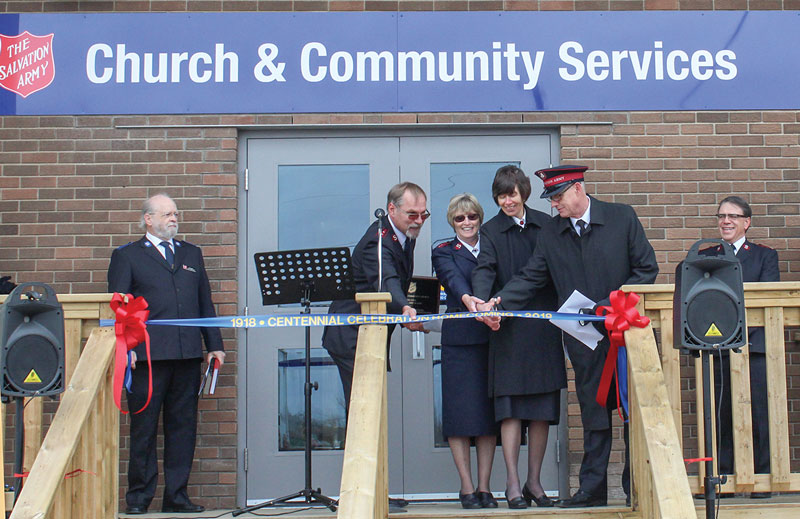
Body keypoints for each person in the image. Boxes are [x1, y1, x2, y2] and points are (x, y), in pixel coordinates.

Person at [472, 165, 658, 508]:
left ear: (578, 190)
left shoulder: (621, 217)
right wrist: (498, 303)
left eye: (558, 197)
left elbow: (646, 269)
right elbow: (532, 276)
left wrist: (607, 306)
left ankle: (637, 485)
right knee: (593, 412)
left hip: (626, 333)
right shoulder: (552, 233)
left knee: (635, 412)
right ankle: (592, 488)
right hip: (583, 339)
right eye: (551, 198)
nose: (554, 204)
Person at [108, 193, 225, 515]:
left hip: (187, 354)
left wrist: (214, 345)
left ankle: (177, 496)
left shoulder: (191, 253)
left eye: (175, 214)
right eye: (167, 214)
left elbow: (205, 304)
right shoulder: (128, 255)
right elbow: (120, 305)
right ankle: (138, 499)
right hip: (146, 356)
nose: (174, 218)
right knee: (144, 429)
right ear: (149, 219)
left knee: (183, 428)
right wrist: (125, 347)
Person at [321, 182, 428, 509]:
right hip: (353, 339)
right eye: (412, 214)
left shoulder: (402, 237)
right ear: (392, 209)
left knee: (373, 416)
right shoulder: (377, 241)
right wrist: (404, 306)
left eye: (424, 214)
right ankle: (358, 498)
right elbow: (387, 282)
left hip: (372, 338)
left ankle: (375, 492)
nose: (419, 220)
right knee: (363, 418)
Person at [470, 166, 565, 509]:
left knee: (541, 409)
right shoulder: (491, 230)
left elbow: (557, 269)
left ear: (523, 192)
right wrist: (483, 305)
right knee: (510, 410)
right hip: (506, 327)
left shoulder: (548, 224)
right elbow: (484, 269)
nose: (507, 201)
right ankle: (512, 483)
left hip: (542, 328)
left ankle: (534, 483)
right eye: (501, 196)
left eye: (512, 194)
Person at [707, 196, 779, 499]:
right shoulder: (707, 255)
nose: (726, 221)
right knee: (721, 414)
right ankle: (724, 478)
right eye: (722, 216)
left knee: (759, 414)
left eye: (733, 216)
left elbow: (767, 299)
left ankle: (761, 480)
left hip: (755, 346)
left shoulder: (764, 256)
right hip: (719, 346)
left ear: (746, 222)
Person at [431, 193, 498, 509]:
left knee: (487, 417)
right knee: (459, 416)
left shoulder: (494, 245)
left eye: (472, 217)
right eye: (460, 218)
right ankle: (467, 487)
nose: (467, 223)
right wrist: (472, 299)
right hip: (459, 342)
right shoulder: (443, 251)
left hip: (493, 338)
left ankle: (485, 486)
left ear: (480, 218)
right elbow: (453, 280)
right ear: (452, 222)